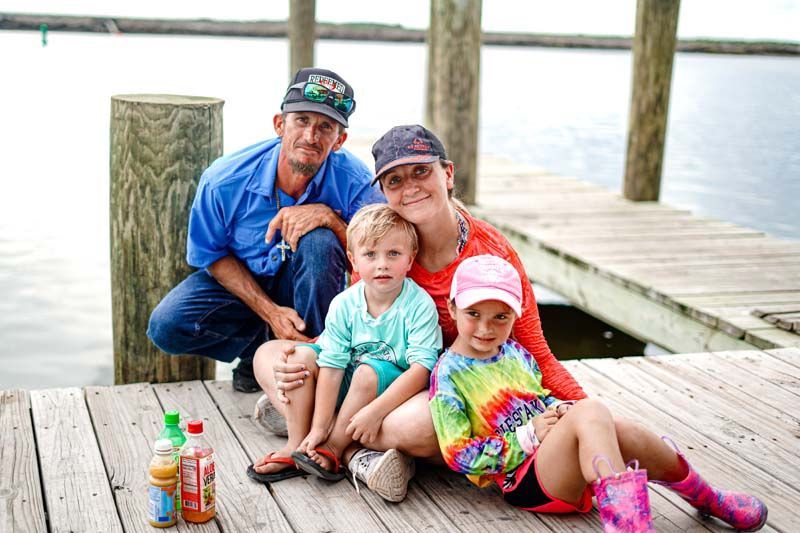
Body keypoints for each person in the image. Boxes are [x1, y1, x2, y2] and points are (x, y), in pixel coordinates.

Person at [253, 124, 586, 500]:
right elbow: (355, 329)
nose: (410, 187)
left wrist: (585, 416)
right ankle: (340, 443)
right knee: (270, 357)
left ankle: (338, 441)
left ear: (447, 173)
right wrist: (300, 363)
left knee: (426, 426)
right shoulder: (382, 243)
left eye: (421, 171)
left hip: (434, 386)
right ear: (383, 192)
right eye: (395, 180)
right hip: (371, 367)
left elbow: (537, 353)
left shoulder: (490, 255)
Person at [430, 254, 767, 532]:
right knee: (592, 410)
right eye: (474, 314)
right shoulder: (448, 376)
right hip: (524, 482)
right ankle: (629, 526)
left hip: (556, 459)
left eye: (500, 317)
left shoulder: (515, 353)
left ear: (515, 316)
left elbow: (538, 398)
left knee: (619, 428)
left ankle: (705, 497)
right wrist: (527, 438)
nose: (487, 328)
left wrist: (558, 408)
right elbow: (458, 455)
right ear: (453, 307)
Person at [146, 68, 384, 392]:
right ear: (279, 124)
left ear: (339, 140)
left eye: (325, 127)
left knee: (319, 242)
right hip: (245, 285)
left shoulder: (356, 182)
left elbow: (381, 253)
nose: (311, 137)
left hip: (309, 289)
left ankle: (316, 364)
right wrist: (271, 313)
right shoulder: (223, 180)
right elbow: (212, 255)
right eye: (301, 121)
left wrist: (330, 219)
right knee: (167, 326)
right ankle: (258, 350)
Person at [249, 204, 442, 502]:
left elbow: (421, 369)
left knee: (366, 371)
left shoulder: (418, 306)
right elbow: (332, 365)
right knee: (301, 358)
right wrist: (318, 426)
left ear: (409, 259)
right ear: (353, 260)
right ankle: (300, 444)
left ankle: (335, 448)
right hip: (347, 387)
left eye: (393, 254)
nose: (382, 264)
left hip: (387, 392)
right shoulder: (344, 304)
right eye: (370, 255)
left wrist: (375, 412)